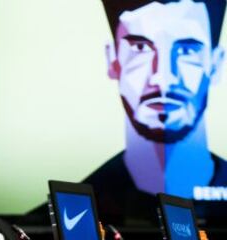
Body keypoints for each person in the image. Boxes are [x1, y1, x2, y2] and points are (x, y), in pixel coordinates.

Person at [82, 0, 227, 226]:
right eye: (140, 48)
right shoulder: (79, 208)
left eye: (187, 50)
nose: (163, 79)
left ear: (216, 64)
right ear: (113, 61)